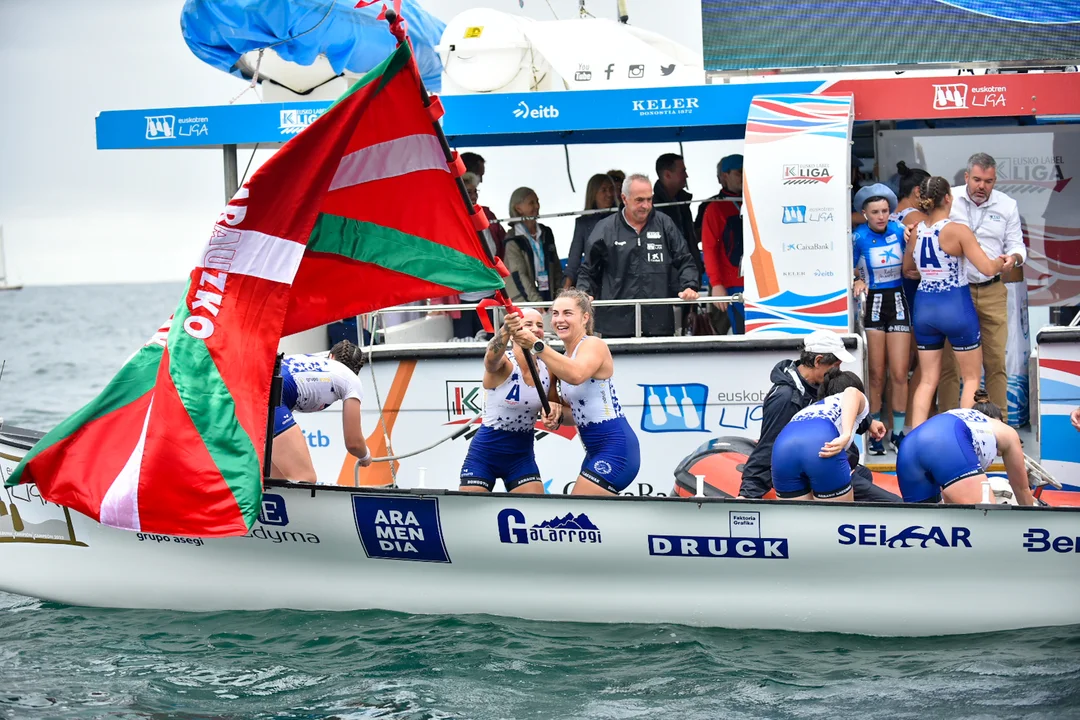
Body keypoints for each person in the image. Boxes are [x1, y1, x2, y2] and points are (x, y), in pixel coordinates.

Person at [507, 289, 640, 495]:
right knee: (586, 513)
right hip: (594, 451)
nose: (559, 319)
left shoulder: (593, 344)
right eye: (555, 313)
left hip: (617, 448)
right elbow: (576, 414)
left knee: (577, 509)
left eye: (567, 313)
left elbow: (576, 375)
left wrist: (536, 345)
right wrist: (557, 414)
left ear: (585, 318)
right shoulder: (563, 358)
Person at [903, 176, 1006, 428]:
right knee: (971, 378)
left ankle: (915, 437)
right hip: (955, 305)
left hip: (925, 307)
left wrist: (928, 272)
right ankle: (963, 435)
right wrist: (1003, 262)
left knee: (928, 380)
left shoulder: (916, 230)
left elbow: (908, 270)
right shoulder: (957, 231)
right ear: (948, 198)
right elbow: (986, 268)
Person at [938, 153, 1026, 419]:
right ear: (967, 177)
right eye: (977, 179)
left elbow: (1017, 244)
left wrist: (1014, 258)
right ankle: (949, 425)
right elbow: (928, 225)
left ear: (994, 181)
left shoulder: (1007, 205)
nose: (982, 186)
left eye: (988, 181)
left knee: (995, 361)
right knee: (950, 362)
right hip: (956, 290)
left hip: (992, 289)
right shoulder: (949, 199)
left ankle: (1001, 426)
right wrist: (911, 229)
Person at [577, 173, 700, 337]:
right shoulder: (605, 228)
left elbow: (685, 261)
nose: (646, 205)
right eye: (639, 200)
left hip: (658, 324)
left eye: (649, 199)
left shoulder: (665, 224)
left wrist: (689, 286)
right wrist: (584, 293)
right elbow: (588, 270)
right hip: (615, 325)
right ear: (624, 198)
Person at [738, 331, 853, 499]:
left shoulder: (821, 384)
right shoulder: (785, 398)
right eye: (836, 365)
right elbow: (768, 447)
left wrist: (869, 423)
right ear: (818, 361)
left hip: (835, 463)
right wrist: (748, 495)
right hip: (812, 472)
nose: (839, 371)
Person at [459, 309, 549, 493]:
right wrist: (505, 330)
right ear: (515, 332)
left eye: (540, 325)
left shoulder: (548, 367)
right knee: (471, 507)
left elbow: (555, 402)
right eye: (528, 324)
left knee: (536, 508)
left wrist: (555, 409)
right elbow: (490, 361)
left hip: (521, 457)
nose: (535, 329)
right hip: (485, 454)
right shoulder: (505, 364)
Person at [851, 183, 910, 454]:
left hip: (898, 301)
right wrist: (857, 279)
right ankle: (875, 432)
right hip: (873, 303)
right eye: (875, 212)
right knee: (876, 374)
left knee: (899, 373)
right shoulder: (858, 237)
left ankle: (897, 432)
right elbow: (850, 267)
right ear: (864, 213)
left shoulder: (899, 230)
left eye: (885, 211)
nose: (881, 216)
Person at [897, 390, 1034, 505]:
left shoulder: (968, 420)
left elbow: (949, 489)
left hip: (908, 446)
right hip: (944, 440)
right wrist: (1031, 524)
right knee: (987, 520)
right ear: (1000, 420)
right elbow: (1022, 490)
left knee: (925, 525)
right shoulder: (1008, 432)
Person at [771, 370, 886, 502]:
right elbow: (852, 392)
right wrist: (846, 435)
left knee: (799, 516)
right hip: (819, 444)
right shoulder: (853, 398)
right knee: (835, 515)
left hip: (782, 448)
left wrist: (869, 423)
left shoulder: (813, 407)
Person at [271, 340, 371, 484]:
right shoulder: (351, 379)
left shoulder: (313, 360)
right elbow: (353, 443)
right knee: (305, 478)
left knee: (273, 478)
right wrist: (365, 456)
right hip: (273, 397)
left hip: (257, 390)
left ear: (331, 356)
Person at [699, 154, 745, 333]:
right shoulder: (715, 208)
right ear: (725, 176)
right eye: (739, 172)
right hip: (731, 284)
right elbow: (709, 249)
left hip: (760, 283)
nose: (744, 176)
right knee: (739, 334)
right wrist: (717, 284)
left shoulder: (757, 203)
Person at [503, 187, 563, 303]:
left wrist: (558, 296)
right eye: (531, 203)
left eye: (537, 202)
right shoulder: (512, 239)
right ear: (518, 208)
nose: (537, 206)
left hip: (547, 295)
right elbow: (519, 275)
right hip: (523, 300)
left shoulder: (546, 232)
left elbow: (556, 267)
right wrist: (536, 302)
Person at [653, 153, 703, 276]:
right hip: (668, 277)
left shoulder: (682, 202)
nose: (687, 175)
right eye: (683, 171)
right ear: (667, 175)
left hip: (688, 274)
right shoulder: (652, 207)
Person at [565, 173, 618, 287]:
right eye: (604, 190)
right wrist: (565, 289)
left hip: (618, 281)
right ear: (593, 194)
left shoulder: (622, 218)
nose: (609, 194)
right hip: (593, 281)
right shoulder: (583, 223)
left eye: (611, 189)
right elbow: (574, 258)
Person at [463, 170, 506, 260]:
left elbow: (503, 240)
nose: (474, 196)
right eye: (469, 192)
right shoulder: (454, 218)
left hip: (492, 265)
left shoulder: (487, 214)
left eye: (475, 192)